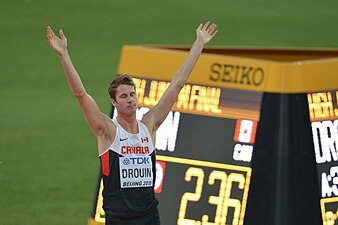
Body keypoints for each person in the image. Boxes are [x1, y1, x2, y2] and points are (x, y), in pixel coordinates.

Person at [46, 21, 218, 225]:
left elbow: (177, 85)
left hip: (149, 217)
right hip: (119, 219)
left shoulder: (149, 124)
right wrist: (63, 55)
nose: (130, 99)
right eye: (124, 96)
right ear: (114, 101)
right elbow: (81, 95)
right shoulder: (108, 131)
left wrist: (199, 43)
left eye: (133, 94)